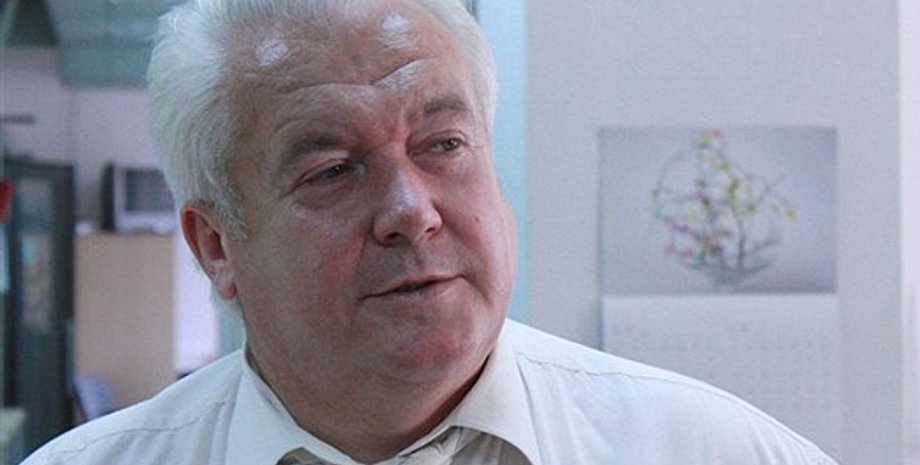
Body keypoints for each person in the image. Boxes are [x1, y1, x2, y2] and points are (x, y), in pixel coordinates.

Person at [23, 0, 839, 464]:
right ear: (216, 244)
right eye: (331, 169)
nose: (412, 210)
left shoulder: (708, 448)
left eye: (443, 145)